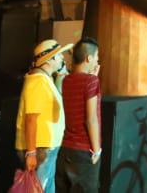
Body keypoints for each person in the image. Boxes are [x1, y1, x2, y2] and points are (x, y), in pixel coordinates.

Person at [17, 39, 72, 193]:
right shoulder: (37, 81)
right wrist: (31, 152)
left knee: (46, 187)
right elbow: (31, 118)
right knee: (38, 188)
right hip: (41, 148)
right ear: (50, 59)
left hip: (47, 146)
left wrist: (60, 78)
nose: (62, 58)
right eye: (59, 55)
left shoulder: (45, 79)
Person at [57, 38, 101, 193]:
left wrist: (93, 78)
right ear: (89, 58)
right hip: (84, 152)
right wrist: (97, 150)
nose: (97, 61)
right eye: (96, 57)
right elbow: (91, 119)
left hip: (65, 149)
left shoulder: (66, 81)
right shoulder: (91, 82)